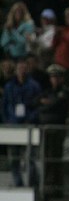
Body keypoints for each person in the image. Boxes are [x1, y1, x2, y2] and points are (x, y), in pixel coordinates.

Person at [2, 58, 41, 186]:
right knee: (14, 158)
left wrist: (31, 118)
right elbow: (4, 105)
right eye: (19, 68)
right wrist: (7, 120)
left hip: (29, 125)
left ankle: (32, 184)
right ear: (16, 70)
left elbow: (38, 105)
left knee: (30, 158)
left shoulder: (34, 86)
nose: (22, 71)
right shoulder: (9, 86)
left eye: (24, 68)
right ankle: (18, 183)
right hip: (13, 126)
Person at [38, 63, 69, 195]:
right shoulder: (48, 91)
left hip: (58, 128)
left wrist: (47, 103)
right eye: (52, 77)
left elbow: (56, 105)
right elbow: (36, 103)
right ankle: (47, 185)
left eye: (57, 77)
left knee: (55, 157)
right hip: (46, 129)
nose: (54, 80)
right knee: (46, 156)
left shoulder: (64, 91)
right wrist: (48, 103)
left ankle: (56, 187)